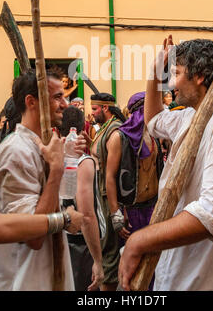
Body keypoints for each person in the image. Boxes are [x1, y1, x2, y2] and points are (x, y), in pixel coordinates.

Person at [119, 36, 213, 291]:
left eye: (176, 73)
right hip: (185, 277)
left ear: (199, 76)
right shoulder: (192, 115)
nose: (171, 83)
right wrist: (154, 73)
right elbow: (154, 119)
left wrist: (139, 240)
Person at [0, 69, 85, 291]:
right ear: (31, 101)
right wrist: (56, 173)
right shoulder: (16, 152)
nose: (65, 104)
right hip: (16, 282)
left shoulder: (42, 146)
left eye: (65, 96)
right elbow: (30, 236)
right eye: (57, 97)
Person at [106, 93, 164, 264]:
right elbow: (110, 176)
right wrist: (115, 213)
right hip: (131, 211)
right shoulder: (119, 137)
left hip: (153, 208)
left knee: (154, 261)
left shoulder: (154, 136)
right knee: (134, 263)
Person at [60, 105, 104, 291]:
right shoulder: (82, 162)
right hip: (80, 244)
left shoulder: (56, 154)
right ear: (82, 128)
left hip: (61, 236)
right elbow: (86, 216)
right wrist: (98, 261)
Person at [90, 93, 126, 291]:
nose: (91, 112)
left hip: (107, 198)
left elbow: (111, 175)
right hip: (98, 195)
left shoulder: (115, 132)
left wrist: (115, 213)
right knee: (103, 249)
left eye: (95, 109)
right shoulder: (103, 129)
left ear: (105, 108)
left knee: (109, 251)